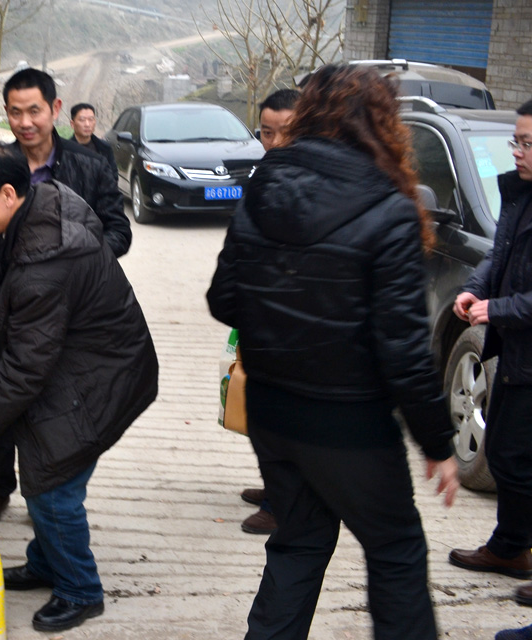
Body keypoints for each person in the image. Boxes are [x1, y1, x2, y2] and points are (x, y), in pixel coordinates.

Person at [206, 64, 459, 640]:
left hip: (272, 410)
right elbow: (403, 349)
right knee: (394, 549)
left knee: (298, 542)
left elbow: (224, 300)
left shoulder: (266, 184)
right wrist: (439, 443)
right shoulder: (390, 206)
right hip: (351, 426)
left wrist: (282, 324)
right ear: (381, 124)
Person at [0, 138, 158, 632]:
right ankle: (48, 561)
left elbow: (25, 370)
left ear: (7, 193)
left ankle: (80, 589)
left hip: (98, 376)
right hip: (85, 360)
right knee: (48, 477)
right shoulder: (41, 207)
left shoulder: (46, 264)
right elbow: (4, 278)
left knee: (52, 487)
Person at [0, 68, 130, 524]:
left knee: (52, 405)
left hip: (67, 315)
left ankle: (48, 495)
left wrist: (70, 270)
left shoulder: (89, 166)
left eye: (34, 110)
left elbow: (119, 230)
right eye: (15, 111)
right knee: (0, 393)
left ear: (55, 110)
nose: (25, 121)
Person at [449, 99, 532, 600]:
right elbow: (498, 257)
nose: (518, 153)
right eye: (517, 141)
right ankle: (509, 547)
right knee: (505, 453)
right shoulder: (519, 194)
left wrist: (496, 311)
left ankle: (513, 547)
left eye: (528, 144)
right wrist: (476, 290)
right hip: (519, 354)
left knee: (519, 460)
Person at [238, 87, 300, 537]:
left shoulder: (311, 182)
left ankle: (284, 503)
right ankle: (273, 486)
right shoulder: (264, 174)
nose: (275, 143)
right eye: (266, 132)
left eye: (287, 133)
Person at [68, 103, 118, 180]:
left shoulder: (105, 148)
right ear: (72, 124)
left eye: (91, 119)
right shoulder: (65, 150)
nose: (87, 124)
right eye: (82, 120)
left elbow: (114, 177)